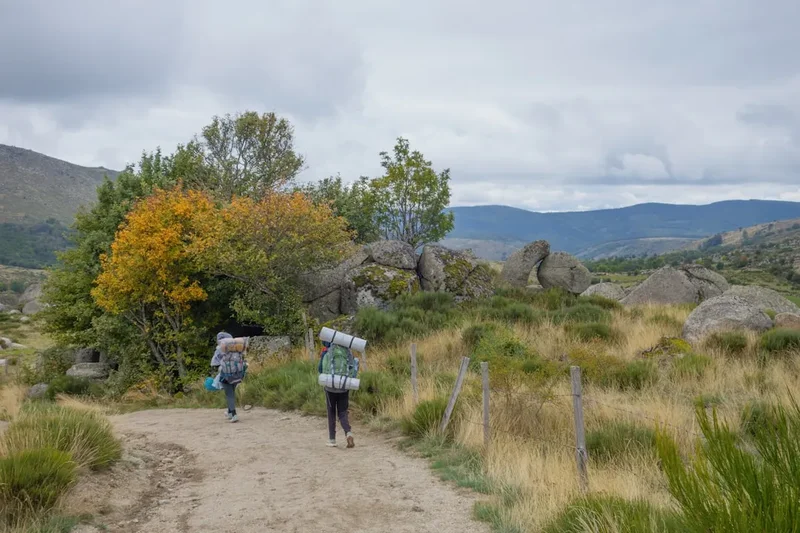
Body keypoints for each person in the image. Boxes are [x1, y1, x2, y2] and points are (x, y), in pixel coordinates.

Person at [319, 341, 355, 448]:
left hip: (330, 387)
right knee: (343, 412)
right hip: (344, 386)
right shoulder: (348, 352)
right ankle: (348, 432)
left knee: (331, 412)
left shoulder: (328, 351)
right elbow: (352, 369)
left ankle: (332, 439)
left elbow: (321, 368)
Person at [211, 331, 245, 423]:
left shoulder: (220, 349)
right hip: (237, 373)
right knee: (232, 392)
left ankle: (234, 414)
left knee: (229, 394)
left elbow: (215, 362)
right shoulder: (237, 348)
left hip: (225, 374)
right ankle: (230, 412)